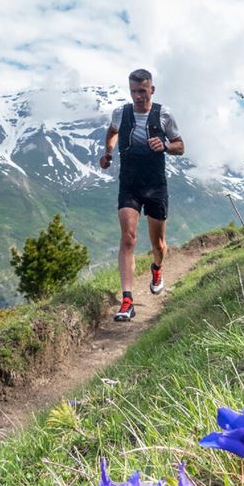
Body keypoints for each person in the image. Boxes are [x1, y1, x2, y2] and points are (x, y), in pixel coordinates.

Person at [99, 69, 184, 321]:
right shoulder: (120, 113)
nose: (138, 96)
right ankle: (127, 300)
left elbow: (181, 145)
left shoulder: (164, 114)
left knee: (158, 245)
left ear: (151, 90)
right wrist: (108, 153)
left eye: (142, 91)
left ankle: (156, 269)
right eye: (134, 91)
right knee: (128, 238)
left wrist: (166, 146)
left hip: (156, 185)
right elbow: (112, 131)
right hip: (129, 185)